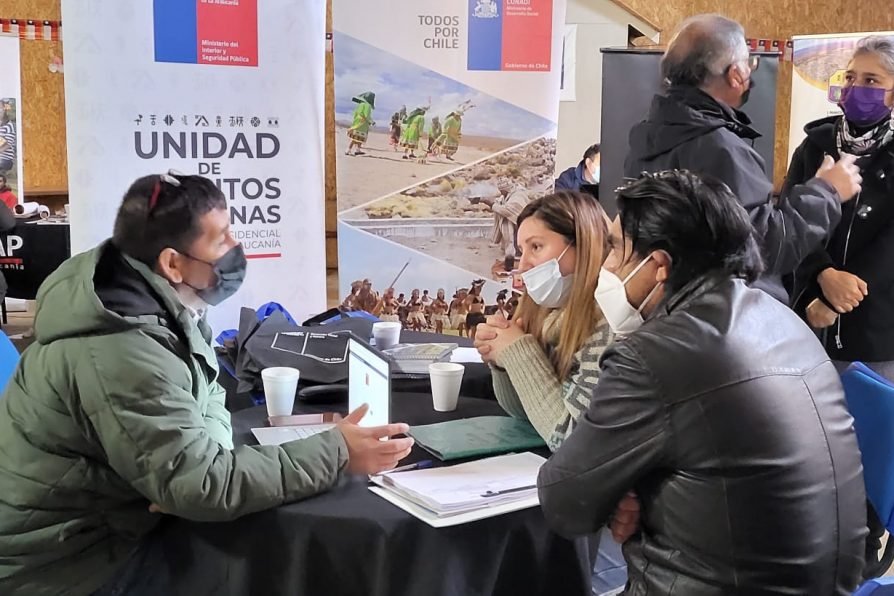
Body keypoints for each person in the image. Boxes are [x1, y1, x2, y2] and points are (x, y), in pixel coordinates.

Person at [0, 173, 415, 595]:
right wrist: (338, 451)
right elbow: (205, 489)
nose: (236, 248)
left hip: (108, 526)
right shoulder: (123, 347)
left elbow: (209, 389)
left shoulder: (149, 295)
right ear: (173, 263)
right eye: (221, 240)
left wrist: (200, 463)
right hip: (69, 566)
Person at [538, 170, 867, 595]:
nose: (605, 266)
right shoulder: (784, 321)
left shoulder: (652, 354)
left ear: (657, 266)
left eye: (616, 250)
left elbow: (565, 502)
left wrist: (618, 488)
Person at [624, 14, 863, 303]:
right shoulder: (720, 148)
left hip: (668, 305)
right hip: (719, 313)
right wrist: (827, 192)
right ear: (736, 74)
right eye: (750, 63)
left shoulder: (649, 136)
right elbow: (761, 249)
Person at [786, 38, 894, 577]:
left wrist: (852, 291)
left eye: (872, 81)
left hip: (879, 333)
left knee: (871, 451)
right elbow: (789, 221)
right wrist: (818, 282)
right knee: (814, 450)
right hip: (811, 324)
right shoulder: (816, 145)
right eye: (852, 77)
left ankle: (869, 550)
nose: (857, 89)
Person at [474, 189, 612, 451]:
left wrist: (518, 352)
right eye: (521, 250)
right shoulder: (544, 309)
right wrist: (501, 360)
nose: (523, 264)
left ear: (583, 244)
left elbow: (574, 443)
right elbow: (525, 413)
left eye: (536, 247)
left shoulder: (609, 327)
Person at [491, 178, 532, 263]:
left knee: (519, 241)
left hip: (521, 222)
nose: (501, 193)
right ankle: (512, 256)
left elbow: (509, 210)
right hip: (514, 222)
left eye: (502, 191)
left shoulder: (518, 195)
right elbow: (501, 202)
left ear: (506, 189)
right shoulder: (507, 195)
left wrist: (492, 204)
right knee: (512, 241)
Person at [346, 91, 375, 157]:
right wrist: (371, 122)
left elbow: (355, 113)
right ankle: (350, 150)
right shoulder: (368, 105)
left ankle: (355, 149)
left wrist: (356, 120)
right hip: (363, 123)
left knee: (356, 136)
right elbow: (366, 115)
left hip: (357, 121)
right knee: (359, 136)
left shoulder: (360, 104)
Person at [0, 107, 16, 174]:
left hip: (5, 159)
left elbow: (8, 145)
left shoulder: (10, 126)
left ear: (5, 112)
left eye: (1, 110)